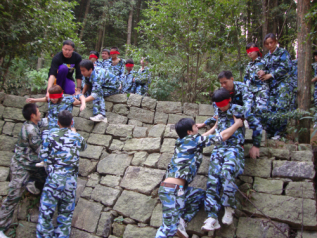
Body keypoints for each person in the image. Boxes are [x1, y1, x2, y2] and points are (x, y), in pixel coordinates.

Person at [155, 116, 243, 238]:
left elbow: (201, 138)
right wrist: (237, 124)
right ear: (189, 132)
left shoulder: (183, 141)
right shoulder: (192, 140)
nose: (198, 127)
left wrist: (214, 127)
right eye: (195, 126)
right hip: (172, 190)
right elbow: (222, 137)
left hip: (178, 190)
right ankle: (174, 226)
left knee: (200, 195)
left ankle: (182, 221)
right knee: (168, 228)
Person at [202, 88, 263, 231]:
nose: (221, 108)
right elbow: (214, 118)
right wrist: (203, 124)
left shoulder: (240, 110)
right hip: (218, 148)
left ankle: (229, 208)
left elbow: (257, 126)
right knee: (212, 179)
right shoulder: (218, 109)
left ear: (229, 100)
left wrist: (256, 145)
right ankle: (212, 216)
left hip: (234, 148)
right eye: (218, 105)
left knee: (227, 172)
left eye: (223, 105)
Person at [36, 110, 87, 238]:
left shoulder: (51, 135)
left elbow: (42, 155)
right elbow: (83, 147)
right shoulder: (77, 137)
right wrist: (74, 133)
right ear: (72, 122)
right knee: (65, 215)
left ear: (58, 123)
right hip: (70, 181)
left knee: (46, 212)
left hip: (54, 179)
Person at [0, 104, 48, 238]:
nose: (40, 112)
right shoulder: (30, 129)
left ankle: (33, 185)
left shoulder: (36, 123)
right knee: (13, 196)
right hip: (22, 166)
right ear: (33, 115)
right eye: (38, 111)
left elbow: (47, 121)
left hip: (33, 163)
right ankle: (1, 227)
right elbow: (40, 151)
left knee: (47, 178)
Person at [197, 71, 259, 159]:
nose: (223, 85)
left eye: (225, 82)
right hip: (228, 118)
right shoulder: (220, 93)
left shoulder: (243, 88)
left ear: (232, 79)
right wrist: (205, 123)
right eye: (221, 83)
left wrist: (256, 145)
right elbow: (218, 114)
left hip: (240, 113)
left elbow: (247, 108)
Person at [26, 85, 86, 167]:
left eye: (55, 97)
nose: (53, 99)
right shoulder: (50, 100)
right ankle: (44, 160)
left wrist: (83, 104)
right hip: (51, 126)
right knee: (44, 136)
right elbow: (45, 99)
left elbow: (81, 96)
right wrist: (34, 100)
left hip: (64, 126)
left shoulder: (67, 100)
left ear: (60, 96)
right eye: (52, 97)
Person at [257, 33, 294, 140]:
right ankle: (270, 132)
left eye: (271, 42)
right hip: (271, 86)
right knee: (270, 107)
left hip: (283, 84)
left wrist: (271, 74)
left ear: (276, 42)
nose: (270, 45)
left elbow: (286, 67)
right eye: (267, 44)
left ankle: (280, 133)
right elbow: (266, 68)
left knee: (281, 107)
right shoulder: (267, 56)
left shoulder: (283, 52)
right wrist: (263, 72)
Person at [243, 43, 269, 128]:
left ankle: (262, 129)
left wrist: (266, 73)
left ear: (257, 50)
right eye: (247, 51)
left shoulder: (264, 62)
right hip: (250, 90)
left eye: (251, 50)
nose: (249, 53)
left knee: (261, 109)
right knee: (249, 108)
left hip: (261, 89)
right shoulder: (249, 65)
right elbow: (246, 78)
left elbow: (272, 72)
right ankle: (252, 127)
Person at [311, 51, 317, 126]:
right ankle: (315, 121)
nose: (315, 57)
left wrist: (310, 81)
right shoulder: (314, 65)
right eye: (315, 56)